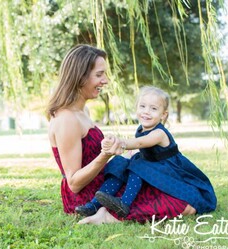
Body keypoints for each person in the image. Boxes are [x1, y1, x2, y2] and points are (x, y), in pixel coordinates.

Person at [47, 45, 196, 224]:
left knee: (186, 194)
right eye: (99, 75)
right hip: (88, 197)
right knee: (186, 205)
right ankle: (106, 215)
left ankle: (110, 209)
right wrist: (105, 155)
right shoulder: (67, 119)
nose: (106, 80)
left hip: (106, 184)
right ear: (81, 76)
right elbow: (74, 183)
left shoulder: (82, 111)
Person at [75, 86, 216, 217]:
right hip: (150, 165)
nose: (146, 111)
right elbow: (140, 148)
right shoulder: (142, 128)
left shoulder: (159, 133)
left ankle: (124, 203)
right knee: (121, 163)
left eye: (153, 108)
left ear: (163, 115)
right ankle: (94, 205)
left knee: (139, 166)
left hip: (169, 169)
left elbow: (140, 142)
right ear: (136, 108)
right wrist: (116, 147)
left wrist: (120, 142)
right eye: (142, 106)